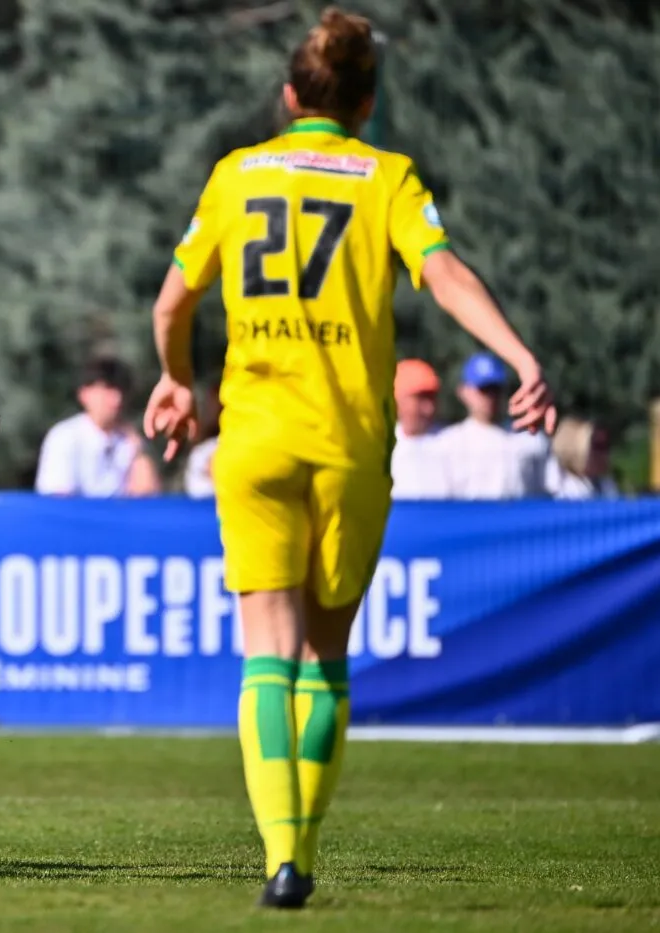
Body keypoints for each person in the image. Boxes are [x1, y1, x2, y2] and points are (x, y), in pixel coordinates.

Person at [141, 7, 556, 909]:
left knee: (266, 656)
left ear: (290, 97)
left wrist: (178, 381)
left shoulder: (238, 174)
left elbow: (172, 304)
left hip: (252, 440)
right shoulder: (388, 178)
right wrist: (522, 357)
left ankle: (279, 858)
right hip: (350, 445)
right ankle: (307, 850)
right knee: (326, 657)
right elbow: (443, 274)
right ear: (365, 104)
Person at [35, 355, 160, 497]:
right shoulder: (64, 437)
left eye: (121, 390)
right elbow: (58, 497)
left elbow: (146, 496)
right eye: (107, 389)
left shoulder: (130, 440)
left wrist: (139, 450)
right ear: (84, 393)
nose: (116, 399)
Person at [436, 352, 552, 499]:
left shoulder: (530, 439)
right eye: (483, 389)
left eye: (495, 389)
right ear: (463, 392)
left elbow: (548, 493)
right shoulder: (448, 443)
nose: (490, 397)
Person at [390, 358, 449, 500]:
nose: (429, 409)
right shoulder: (381, 447)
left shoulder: (451, 444)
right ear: (398, 399)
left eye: (432, 398)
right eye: (420, 399)